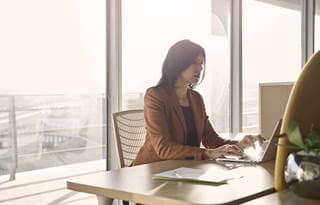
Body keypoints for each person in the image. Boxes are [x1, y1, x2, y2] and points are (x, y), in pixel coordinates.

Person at [132, 39, 261, 166]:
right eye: (195, 63)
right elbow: (163, 148)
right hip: (153, 169)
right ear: (178, 64)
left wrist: (239, 144)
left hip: (184, 170)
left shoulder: (196, 98)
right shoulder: (155, 96)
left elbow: (211, 139)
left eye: (201, 64)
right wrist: (208, 153)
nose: (199, 68)